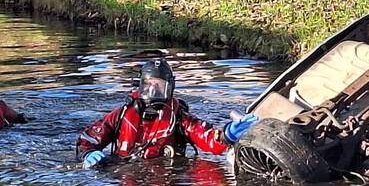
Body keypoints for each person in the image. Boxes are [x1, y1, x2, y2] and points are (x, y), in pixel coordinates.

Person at [78, 58, 258, 167]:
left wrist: (226, 135)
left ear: (170, 88)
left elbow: (206, 136)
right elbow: (87, 139)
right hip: (123, 174)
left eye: (159, 86)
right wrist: (88, 154)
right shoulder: (122, 114)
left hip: (166, 177)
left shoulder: (178, 117)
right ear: (141, 85)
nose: (153, 91)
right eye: (149, 85)